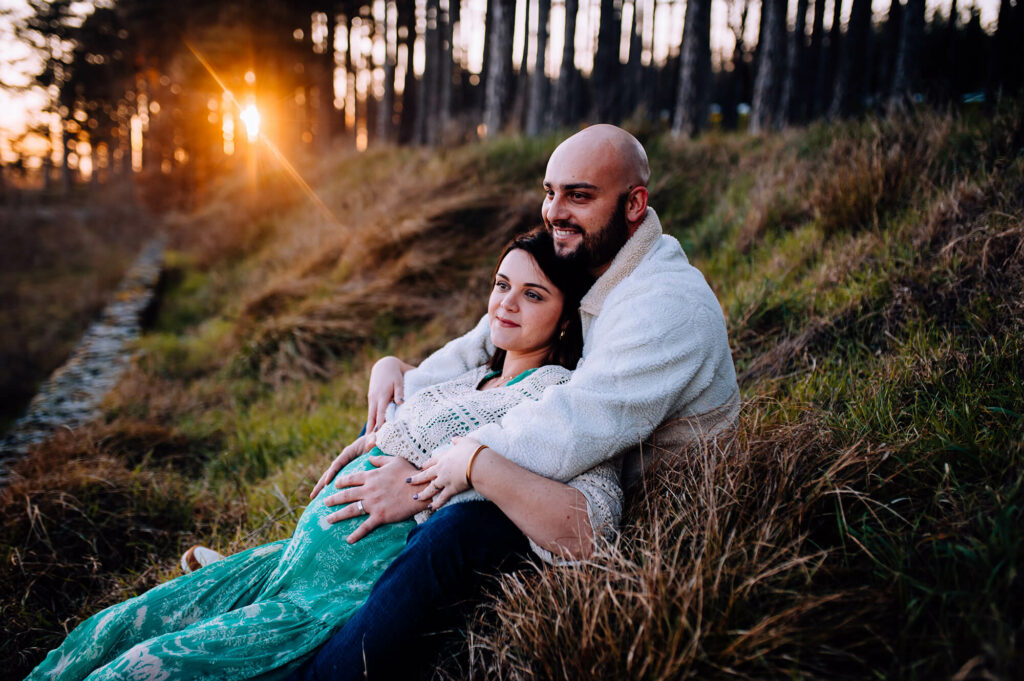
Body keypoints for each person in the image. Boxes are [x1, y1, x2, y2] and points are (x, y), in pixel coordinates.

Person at [24, 230, 614, 681]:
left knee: (141, 668)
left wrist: (448, 474)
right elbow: (411, 399)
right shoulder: (472, 376)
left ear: (566, 318)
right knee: (107, 629)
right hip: (290, 564)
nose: (506, 304)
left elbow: (586, 515)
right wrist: (393, 369)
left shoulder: (554, 396)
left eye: (532, 294)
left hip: (337, 595)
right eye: (501, 284)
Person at [292, 124, 740, 680]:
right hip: (581, 461)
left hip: (643, 514)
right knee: (420, 448)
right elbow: (486, 338)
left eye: (579, 195)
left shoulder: (663, 305)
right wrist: (402, 392)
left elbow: (573, 425)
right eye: (549, 192)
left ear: (634, 204)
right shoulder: (592, 256)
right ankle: (298, 591)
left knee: (461, 526)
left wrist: (437, 466)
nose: (555, 211)